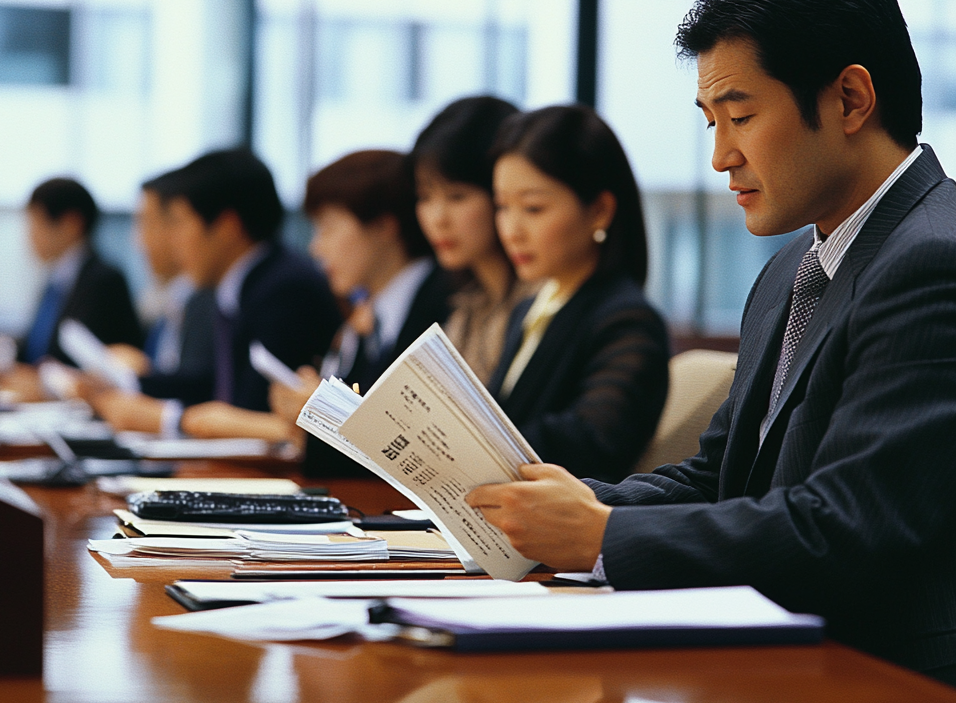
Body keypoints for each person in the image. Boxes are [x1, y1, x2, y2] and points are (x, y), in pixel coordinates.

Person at [466, 0, 956, 687]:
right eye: (710, 123)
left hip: (891, 691)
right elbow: (720, 477)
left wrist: (604, 535)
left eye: (741, 116)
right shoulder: (790, 269)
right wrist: (570, 503)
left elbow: (849, 527)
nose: (721, 157)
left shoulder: (932, 260)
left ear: (851, 101)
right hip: (782, 666)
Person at [91, 149, 341, 438]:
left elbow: (254, 410)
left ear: (226, 226)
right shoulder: (242, 283)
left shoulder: (285, 289)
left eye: (181, 223)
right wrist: (131, 384)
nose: (173, 240)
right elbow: (210, 384)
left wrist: (166, 419)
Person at [484, 105, 669, 481]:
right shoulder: (529, 309)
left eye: (533, 208)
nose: (511, 229)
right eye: (503, 207)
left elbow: (593, 444)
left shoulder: (628, 321)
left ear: (599, 210)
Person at [270, 149, 452, 476]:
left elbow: (424, 444)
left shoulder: (445, 304)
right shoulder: (371, 314)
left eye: (328, 228)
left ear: (383, 226)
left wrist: (326, 410)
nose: (316, 247)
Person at [0, 177, 142, 398]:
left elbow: (72, 359)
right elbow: (36, 345)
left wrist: (2, 372)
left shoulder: (103, 280)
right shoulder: (57, 279)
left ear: (71, 224)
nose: (29, 235)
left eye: (35, 223)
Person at [412, 96, 532, 385]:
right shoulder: (466, 306)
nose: (437, 218)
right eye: (425, 197)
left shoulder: (539, 303)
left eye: (457, 196)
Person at [108, 171, 214, 382]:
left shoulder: (212, 301)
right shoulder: (168, 300)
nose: (139, 241)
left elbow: (198, 389)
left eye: (147, 223)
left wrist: (145, 375)